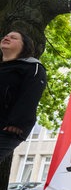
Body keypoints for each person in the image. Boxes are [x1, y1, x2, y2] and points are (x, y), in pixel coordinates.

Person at [0, 30, 47, 162]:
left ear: (24, 46)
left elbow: (31, 94)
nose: (7, 38)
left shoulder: (32, 67)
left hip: (7, 128)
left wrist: (17, 123)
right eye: (6, 36)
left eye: (13, 37)